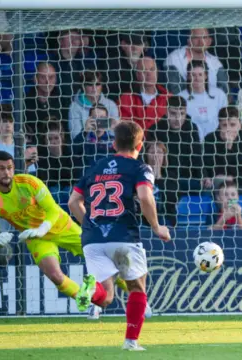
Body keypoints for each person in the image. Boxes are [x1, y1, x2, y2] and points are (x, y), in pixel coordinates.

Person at [69, 121, 171, 351]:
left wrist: (90, 224)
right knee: (137, 287)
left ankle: (89, 289)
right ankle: (131, 341)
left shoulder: (95, 167)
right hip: (123, 237)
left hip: (93, 240)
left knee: (104, 297)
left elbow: (73, 202)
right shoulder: (140, 168)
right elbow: (145, 198)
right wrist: (156, 227)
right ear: (140, 144)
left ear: (114, 144)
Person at [0, 151, 85, 309]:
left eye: (10, 168)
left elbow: (53, 210)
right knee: (54, 275)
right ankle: (87, 300)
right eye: (1, 168)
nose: (7, 172)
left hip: (60, 225)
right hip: (35, 237)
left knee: (100, 255)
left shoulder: (29, 183)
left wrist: (43, 228)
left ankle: (131, 289)